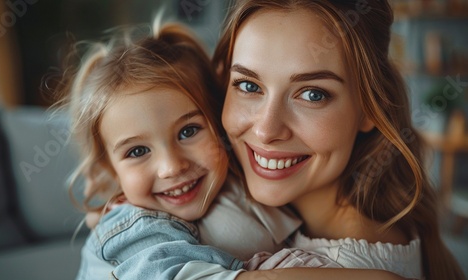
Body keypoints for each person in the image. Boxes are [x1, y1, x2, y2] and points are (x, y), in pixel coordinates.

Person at [55, 16, 406, 280]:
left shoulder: (237, 182)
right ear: (110, 169)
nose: (171, 166)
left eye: (189, 130)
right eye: (136, 152)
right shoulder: (137, 228)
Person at [211, 0, 465, 279]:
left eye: (313, 94)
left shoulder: (347, 267)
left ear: (370, 108)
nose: (266, 130)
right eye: (248, 86)